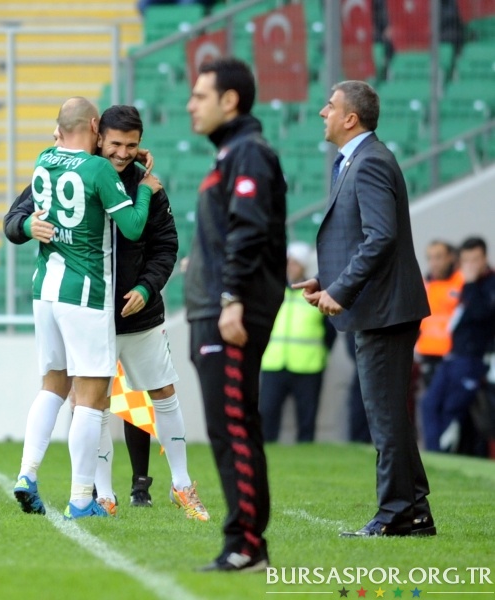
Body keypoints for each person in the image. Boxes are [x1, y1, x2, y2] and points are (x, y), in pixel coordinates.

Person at [5, 106, 209, 521]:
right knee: (91, 401)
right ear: (98, 136)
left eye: (132, 145)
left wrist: (146, 287)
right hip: (90, 309)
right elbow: (14, 218)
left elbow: (165, 245)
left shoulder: (141, 179)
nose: (123, 152)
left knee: (162, 393)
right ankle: (101, 494)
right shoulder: (90, 171)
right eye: (115, 143)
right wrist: (26, 225)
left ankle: (182, 485)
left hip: (134, 314)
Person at [293, 80, 435, 538]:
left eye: (330, 106)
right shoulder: (358, 159)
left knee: (385, 417)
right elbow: (362, 237)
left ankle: (394, 515)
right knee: (390, 415)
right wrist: (327, 280)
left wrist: (342, 290)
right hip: (381, 307)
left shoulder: (370, 160)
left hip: (384, 310)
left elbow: (380, 237)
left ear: (350, 118)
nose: (323, 112)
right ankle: (415, 511)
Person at [185, 57, 287, 571]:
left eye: (200, 96)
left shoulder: (248, 151)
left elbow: (248, 230)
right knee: (228, 428)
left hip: (228, 312)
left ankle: (246, 542)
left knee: (234, 427)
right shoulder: (230, 153)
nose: (190, 105)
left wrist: (230, 299)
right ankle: (245, 540)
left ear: (230, 101)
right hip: (213, 308)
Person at [421, 236, 495, 453]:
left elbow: (482, 314)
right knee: (429, 403)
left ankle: (443, 455)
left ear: (484, 258)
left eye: (475, 259)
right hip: (452, 356)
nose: (470, 265)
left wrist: (470, 283)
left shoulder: (488, 284)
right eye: (466, 260)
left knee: (453, 408)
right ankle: (433, 454)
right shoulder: (462, 284)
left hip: (474, 359)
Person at [259, 241, 336, 443]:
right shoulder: (272, 290)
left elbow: (330, 332)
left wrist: (321, 354)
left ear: (303, 267)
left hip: (308, 366)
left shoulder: (316, 294)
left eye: (294, 263)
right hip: (273, 363)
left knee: (306, 420)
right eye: (287, 262)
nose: (289, 267)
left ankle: (306, 454)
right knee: (267, 416)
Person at [415, 240, 464, 390]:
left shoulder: (462, 282)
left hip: (454, 354)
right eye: (430, 258)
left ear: (450, 257)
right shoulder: (423, 285)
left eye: (438, 257)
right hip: (427, 352)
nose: (434, 262)